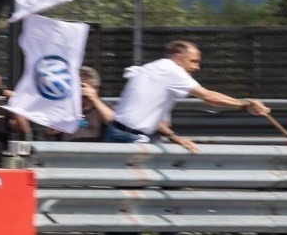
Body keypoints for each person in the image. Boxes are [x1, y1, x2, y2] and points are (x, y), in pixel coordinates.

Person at [103, 40, 270, 153]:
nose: (197, 67)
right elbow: (207, 97)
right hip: (129, 137)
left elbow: (147, 117)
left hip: (121, 133)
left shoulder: (156, 68)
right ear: (178, 58)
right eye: (193, 61)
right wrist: (244, 104)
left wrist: (175, 138)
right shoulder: (171, 70)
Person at [47, 66, 114, 141]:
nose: (82, 89)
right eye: (78, 86)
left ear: (95, 88)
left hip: (96, 149)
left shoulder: (103, 106)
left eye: (84, 86)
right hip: (67, 149)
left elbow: (112, 122)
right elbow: (50, 132)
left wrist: (94, 100)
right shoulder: (65, 105)